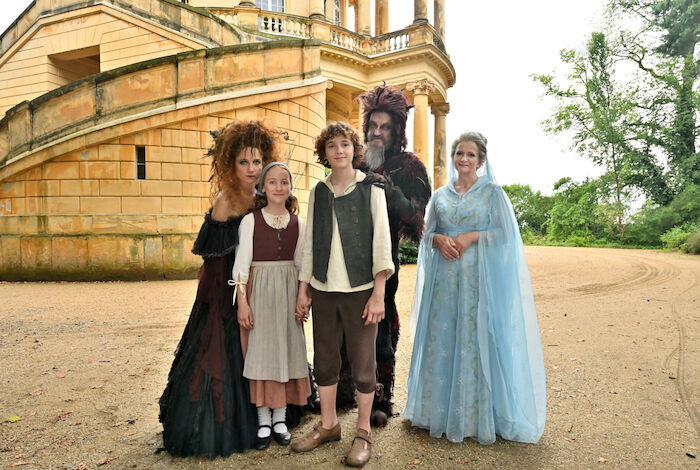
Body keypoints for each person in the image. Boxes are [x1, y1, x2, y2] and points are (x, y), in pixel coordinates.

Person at [403, 131, 546, 444]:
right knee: (442, 337)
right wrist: (437, 238)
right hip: (443, 283)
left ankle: (473, 416)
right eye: (459, 153)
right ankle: (435, 413)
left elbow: (506, 236)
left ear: (480, 159)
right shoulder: (440, 195)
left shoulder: (492, 193)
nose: (463, 159)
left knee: (475, 338)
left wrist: (472, 236)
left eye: (470, 154)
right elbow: (427, 233)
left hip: (477, 283)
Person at [158, 121, 281, 457]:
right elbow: (215, 264)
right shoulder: (225, 201)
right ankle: (231, 422)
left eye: (257, 161)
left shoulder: (264, 193)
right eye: (244, 162)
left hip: (261, 285)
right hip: (228, 289)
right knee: (226, 352)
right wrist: (229, 304)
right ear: (230, 163)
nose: (252, 169)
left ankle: (273, 416)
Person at [291, 122, 394, 467]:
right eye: (332, 145)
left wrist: (378, 293)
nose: (339, 151)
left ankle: (363, 431)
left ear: (355, 149)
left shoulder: (371, 191)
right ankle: (329, 424)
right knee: (325, 363)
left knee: (364, 365)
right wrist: (304, 289)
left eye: (345, 144)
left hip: (360, 291)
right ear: (325, 152)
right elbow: (308, 248)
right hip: (322, 290)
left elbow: (382, 245)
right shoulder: (318, 192)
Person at [336, 84, 431, 426]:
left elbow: (419, 220)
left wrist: (391, 193)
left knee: (380, 327)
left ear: (397, 131)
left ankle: (380, 396)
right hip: (344, 257)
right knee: (343, 323)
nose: (377, 133)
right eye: (373, 126)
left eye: (385, 127)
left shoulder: (409, 167)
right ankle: (345, 389)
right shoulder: (354, 159)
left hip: (383, 260)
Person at [230, 162, 311, 450]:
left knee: (287, 351)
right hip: (259, 292)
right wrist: (242, 303)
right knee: (261, 352)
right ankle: (263, 419)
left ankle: (281, 418)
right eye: (273, 182)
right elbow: (240, 267)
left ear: (290, 187)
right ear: (263, 187)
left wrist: (304, 297)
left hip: (288, 292)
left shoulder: (299, 224)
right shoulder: (251, 221)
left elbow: (303, 266)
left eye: (285, 182)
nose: (279, 187)